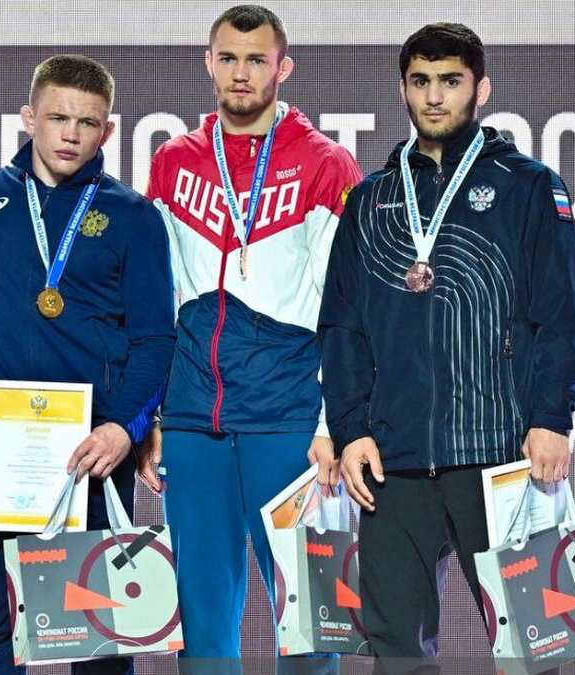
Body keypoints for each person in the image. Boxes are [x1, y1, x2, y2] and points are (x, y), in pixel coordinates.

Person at [319, 22, 575, 674]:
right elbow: (343, 328)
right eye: (421, 82)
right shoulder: (372, 199)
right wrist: (351, 429)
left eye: (450, 81)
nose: (435, 97)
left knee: (531, 652)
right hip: (394, 465)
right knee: (397, 655)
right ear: (403, 89)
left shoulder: (528, 186)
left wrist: (552, 418)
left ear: (481, 88)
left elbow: (561, 315)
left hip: (499, 455)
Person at [142, 5, 362, 673]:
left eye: (257, 60)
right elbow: (156, 301)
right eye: (230, 58)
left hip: (289, 422)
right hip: (193, 421)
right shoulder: (173, 161)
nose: (242, 73)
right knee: (201, 632)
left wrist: (330, 422)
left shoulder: (326, 164)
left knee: (311, 629)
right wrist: (153, 414)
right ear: (209, 63)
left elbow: (347, 309)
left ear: (282, 67)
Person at [0, 54, 175, 675]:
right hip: (0, 435)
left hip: (92, 440)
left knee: (97, 632)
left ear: (108, 130)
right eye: (58, 118)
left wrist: (125, 427)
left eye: (88, 122)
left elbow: (156, 338)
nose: (71, 134)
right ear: (29, 118)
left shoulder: (133, 215)